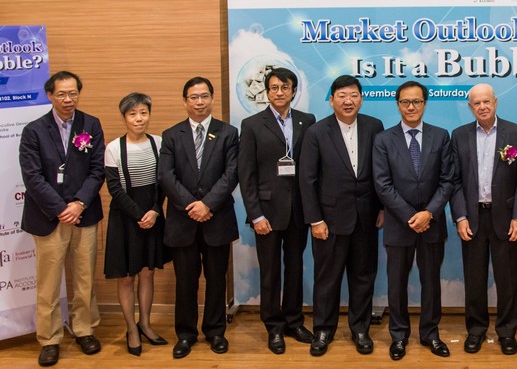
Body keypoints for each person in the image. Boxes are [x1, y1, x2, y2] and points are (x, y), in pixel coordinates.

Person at [19, 71, 105, 367]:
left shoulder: (91, 124)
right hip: (48, 217)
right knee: (48, 282)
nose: (68, 99)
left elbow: (97, 170)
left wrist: (79, 203)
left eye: (73, 94)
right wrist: (61, 208)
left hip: (85, 214)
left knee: (84, 278)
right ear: (50, 95)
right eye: (62, 94)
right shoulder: (33, 130)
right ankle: (50, 338)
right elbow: (32, 177)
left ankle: (84, 330)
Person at [299, 75, 384, 356]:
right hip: (329, 221)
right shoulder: (316, 132)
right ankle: (323, 329)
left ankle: (360, 329)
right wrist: (315, 219)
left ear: (361, 98)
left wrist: (382, 208)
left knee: (363, 276)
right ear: (332, 99)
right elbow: (307, 179)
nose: (348, 101)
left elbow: (382, 173)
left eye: (354, 95)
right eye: (342, 95)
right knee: (327, 278)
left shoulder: (374, 127)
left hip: (366, 218)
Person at [373, 81, 454, 360]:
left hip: (432, 222)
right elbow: (382, 185)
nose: (411, 107)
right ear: (397, 104)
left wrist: (428, 213)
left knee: (431, 281)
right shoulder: (383, 139)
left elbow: (447, 180)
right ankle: (398, 336)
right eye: (405, 102)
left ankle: (430, 334)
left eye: (417, 102)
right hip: (399, 224)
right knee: (397, 282)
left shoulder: (440, 136)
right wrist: (411, 216)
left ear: (425, 103)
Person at [159, 77, 239, 359]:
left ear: (212, 98)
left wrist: (208, 205)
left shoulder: (229, 133)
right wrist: (192, 205)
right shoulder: (171, 135)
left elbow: (232, 174)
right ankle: (185, 334)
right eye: (194, 97)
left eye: (204, 96)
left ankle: (216, 331)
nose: (200, 102)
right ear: (185, 101)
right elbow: (166, 176)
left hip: (217, 218)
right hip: (183, 221)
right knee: (186, 281)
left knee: (217, 279)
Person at [238, 67, 315, 355]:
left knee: (295, 269)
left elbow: (310, 169)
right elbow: (246, 175)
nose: (279, 92)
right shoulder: (252, 124)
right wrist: (255, 214)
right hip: (267, 213)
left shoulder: (308, 121)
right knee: (270, 273)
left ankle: (294, 321)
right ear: (266, 92)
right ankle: (273, 327)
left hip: (298, 211)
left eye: (284, 87)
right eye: (273, 88)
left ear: (294, 91)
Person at [450, 84, 517, 355]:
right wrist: (460, 216)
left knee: (508, 279)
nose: (482, 106)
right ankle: (476, 330)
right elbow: (455, 181)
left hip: (505, 218)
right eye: (476, 103)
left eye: (486, 101)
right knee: (474, 278)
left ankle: (507, 331)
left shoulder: (515, 133)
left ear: (495, 102)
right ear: (470, 106)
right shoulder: (459, 135)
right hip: (472, 218)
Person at [104, 93, 172, 356]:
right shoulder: (113, 148)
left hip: (152, 216)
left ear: (149, 114)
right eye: (132, 114)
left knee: (147, 273)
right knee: (126, 277)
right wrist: (139, 215)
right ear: (124, 117)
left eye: (143, 112)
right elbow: (114, 189)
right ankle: (131, 327)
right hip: (125, 218)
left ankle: (145, 323)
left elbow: (164, 182)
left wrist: (155, 211)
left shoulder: (159, 143)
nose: (138, 118)